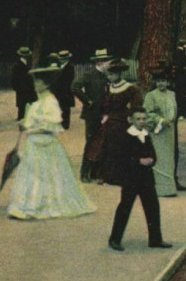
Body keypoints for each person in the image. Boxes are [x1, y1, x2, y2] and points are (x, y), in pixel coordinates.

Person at [7, 65, 96, 220]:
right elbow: (34, 121)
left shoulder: (50, 102)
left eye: (37, 83)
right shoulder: (38, 102)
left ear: (45, 84)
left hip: (45, 144)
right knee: (33, 176)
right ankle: (29, 205)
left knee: (48, 176)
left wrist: (30, 129)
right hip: (34, 145)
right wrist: (26, 123)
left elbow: (52, 127)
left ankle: (40, 205)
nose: (35, 86)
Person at [108, 107, 173, 251]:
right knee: (125, 208)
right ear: (130, 120)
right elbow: (120, 158)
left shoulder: (146, 134)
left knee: (153, 207)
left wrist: (152, 160)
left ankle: (155, 239)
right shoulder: (125, 136)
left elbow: (153, 154)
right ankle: (114, 239)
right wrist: (138, 161)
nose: (142, 121)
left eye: (144, 118)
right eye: (138, 119)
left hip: (146, 179)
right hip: (130, 179)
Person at [85, 59, 143, 186]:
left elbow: (136, 103)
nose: (110, 77)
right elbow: (106, 104)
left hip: (123, 119)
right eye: (109, 75)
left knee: (121, 146)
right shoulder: (110, 87)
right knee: (105, 146)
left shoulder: (128, 87)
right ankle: (106, 176)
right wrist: (105, 114)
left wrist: (131, 116)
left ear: (118, 74)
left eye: (112, 74)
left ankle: (121, 176)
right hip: (110, 119)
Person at [72, 48, 112, 183]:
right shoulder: (90, 74)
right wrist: (87, 101)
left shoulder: (107, 76)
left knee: (102, 143)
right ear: (99, 62)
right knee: (90, 143)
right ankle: (84, 173)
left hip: (104, 114)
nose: (108, 63)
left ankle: (96, 173)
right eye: (106, 61)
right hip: (92, 114)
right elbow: (75, 87)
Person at [143, 69, 183, 197]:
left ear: (168, 82)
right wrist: (160, 120)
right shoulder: (151, 95)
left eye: (164, 81)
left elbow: (175, 110)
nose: (161, 84)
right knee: (159, 158)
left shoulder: (172, 94)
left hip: (170, 130)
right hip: (158, 130)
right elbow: (147, 113)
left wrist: (171, 120)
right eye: (159, 81)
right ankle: (159, 189)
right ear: (155, 82)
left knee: (169, 158)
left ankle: (169, 188)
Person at [11, 46, 37, 120]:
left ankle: (28, 117)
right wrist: (16, 87)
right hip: (22, 87)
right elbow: (14, 78)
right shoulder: (17, 65)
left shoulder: (26, 63)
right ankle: (21, 118)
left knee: (29, 102)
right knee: (22, 105)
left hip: (27, 87)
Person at [51, 50, 76, 130]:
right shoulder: (59, 66)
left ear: (67, 59)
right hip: (59, 91)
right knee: (59, 107)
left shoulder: (70, 67)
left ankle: (65, 124)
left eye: (63, 59)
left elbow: (68, 80)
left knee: (65, 108)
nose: (61, 60)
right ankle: (60, 122)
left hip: (66, 91)